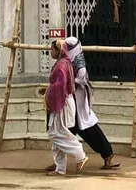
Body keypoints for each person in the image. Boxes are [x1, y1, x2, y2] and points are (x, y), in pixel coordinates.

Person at [62, 36, 118, 170]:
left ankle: (107, 155)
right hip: (70, 101)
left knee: (88, 129)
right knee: (63, 131)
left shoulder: (80, 66)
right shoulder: (66, 61)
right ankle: (59, 161)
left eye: (67, 48)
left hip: (78, 102)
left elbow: (78, 82)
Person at [41, 39, 88, 176]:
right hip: (63, 100)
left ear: (59, 50)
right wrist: (48, 89)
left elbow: (60, 86)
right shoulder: (64, 63)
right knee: (57, 137)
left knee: (55, 133)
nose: (51, 51)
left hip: (61, 102)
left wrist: (49, 90)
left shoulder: (61, 65)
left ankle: (80, 154)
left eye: (52, 49)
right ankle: (60, 168)